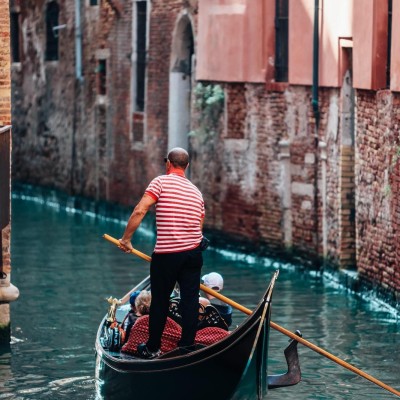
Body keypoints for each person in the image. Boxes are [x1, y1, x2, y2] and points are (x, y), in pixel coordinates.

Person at [118, 147, 205, 359]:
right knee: (190, 301)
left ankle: (153, 347)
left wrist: (126, 239)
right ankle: (186, 347)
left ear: (168, 164)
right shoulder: (196, 192)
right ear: (187, 166)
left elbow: (141, 209)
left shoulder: (160, 182)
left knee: (160, 301)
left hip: (167, 254)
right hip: (194, 253)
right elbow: (199, 227)